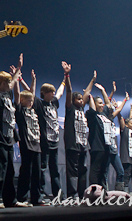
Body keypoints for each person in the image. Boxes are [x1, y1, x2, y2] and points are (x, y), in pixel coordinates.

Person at [0, 42, 28, 208]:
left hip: (9, 138)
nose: (8, 84)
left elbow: (13, 83)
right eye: (6, 82)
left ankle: (10, 200)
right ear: (0, 83)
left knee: (10, 170)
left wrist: (19, 68)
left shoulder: (8, 96)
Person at [33, 63, 67, 201]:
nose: (53, 93)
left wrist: (65, 77)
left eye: (53, 92)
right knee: (42, 168)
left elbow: (60, 92)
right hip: (44, 141)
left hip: (55, 141)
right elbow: (30, 93)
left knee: (55, 170)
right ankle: (39, 195)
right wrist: (22, 80)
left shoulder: (53, 102)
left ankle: (58, 195)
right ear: (44, 93)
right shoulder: (40, 104)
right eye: (50, 92)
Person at [64, 66, 94, 198]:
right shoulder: (70, 109)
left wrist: (92, 80)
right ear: (73, 101)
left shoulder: (82, 110)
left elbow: (87, 92)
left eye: (82, 99)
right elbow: (69, 91)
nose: (81, 101)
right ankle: (73, 195)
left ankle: (82, 195)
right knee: (73, 171)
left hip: (83, 144)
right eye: (78, 99)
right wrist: (67, 75)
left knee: (83, 170)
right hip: (73, 144)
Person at [14, 70, 42, 206]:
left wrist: (33, 80)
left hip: (36, 144)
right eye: (28, 100)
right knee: (26, 171)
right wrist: (16, 78)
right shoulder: (20, 110)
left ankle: (36, 198)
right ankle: (22, 197)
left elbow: (32, 92)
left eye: (32, 100)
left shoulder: (33, 109)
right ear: (22, 100)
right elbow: (17, 94)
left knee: (37, 172)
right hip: (26, 143)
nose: (31, 102)